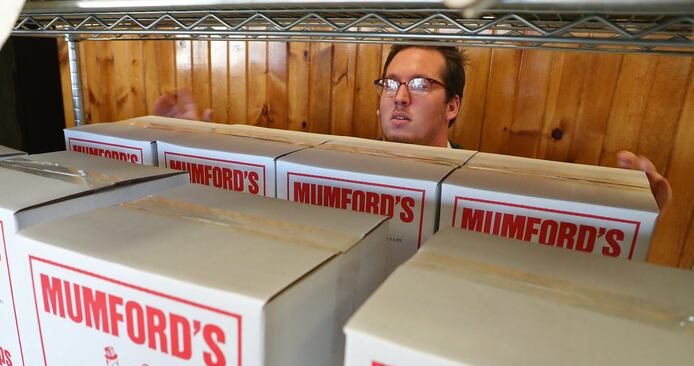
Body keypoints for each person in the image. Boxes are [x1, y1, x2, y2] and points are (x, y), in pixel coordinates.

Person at [151, 44, 671, 210]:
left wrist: (634, 210)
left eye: (421, 85)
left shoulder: (486, 185)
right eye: (390, 83)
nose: (399, 97)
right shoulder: (332, 167)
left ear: (453, 106)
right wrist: (196, 149)